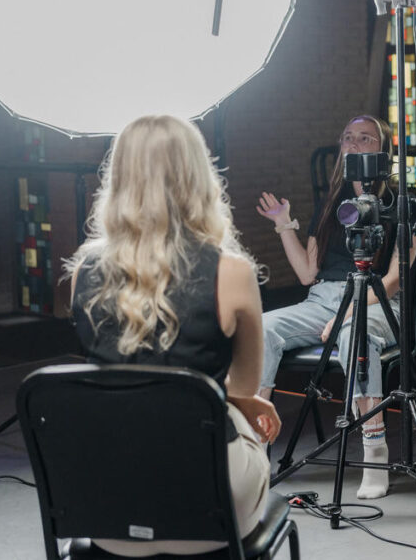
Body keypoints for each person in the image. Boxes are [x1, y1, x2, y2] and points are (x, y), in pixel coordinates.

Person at [67, 115, 280, 556]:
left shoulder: (82, 272)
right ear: (198, 177)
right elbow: (242, 387)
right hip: (208, 512)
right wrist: (246, 402)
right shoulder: (232, 273)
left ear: (119, 178)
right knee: (249, 431)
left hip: (106, 511)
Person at [256, 114, 416, 500]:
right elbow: (307, 274)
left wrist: (347, 314)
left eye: (365, 137)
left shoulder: (403, 202)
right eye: (347, 137)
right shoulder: (332, 203)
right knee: (259, 328)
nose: (354, 143)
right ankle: (255, 441)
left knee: (353, 333)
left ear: (384, 149)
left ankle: (374, 450)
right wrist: (283, 225)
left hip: (377, 300)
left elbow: (395, 278)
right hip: (323, 297)